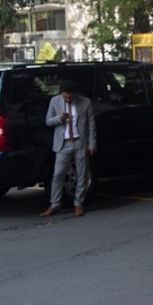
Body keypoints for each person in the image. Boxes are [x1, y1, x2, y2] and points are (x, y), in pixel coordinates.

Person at [40, 80, 97, 217]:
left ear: (76, 95)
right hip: (63, 143)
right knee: (58, 174)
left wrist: (92, 143)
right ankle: (54, 204)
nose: (68, 99)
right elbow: (48, 121)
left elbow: (91, 124)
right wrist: (59, 119)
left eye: (71, 97)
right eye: (65, 96)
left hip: (80, 142)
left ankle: (79, 203)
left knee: (82, 174)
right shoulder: (55, 101)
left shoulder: (85, 102)